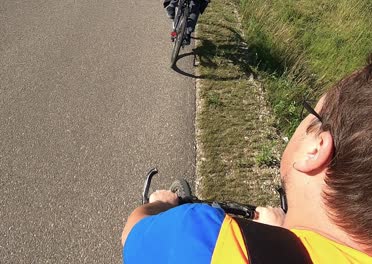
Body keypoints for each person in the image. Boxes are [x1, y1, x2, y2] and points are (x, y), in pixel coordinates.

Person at [122, 55, 372, 263]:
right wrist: (285, 237)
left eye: (312, 113)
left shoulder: (207, 242)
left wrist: (160, 204)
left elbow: (132, 233)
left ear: (315, 150)